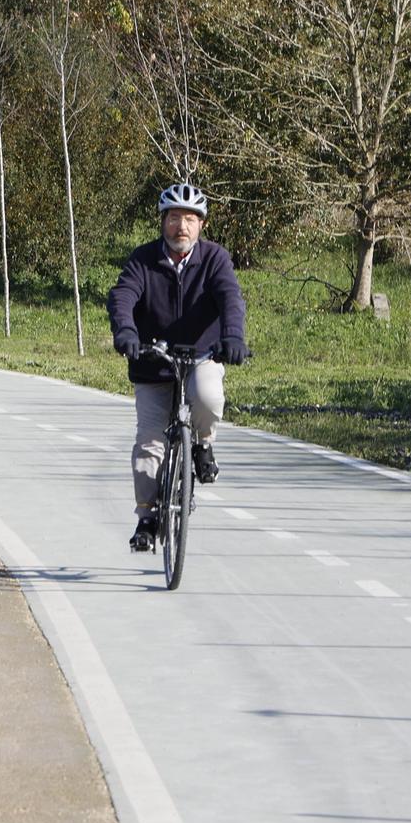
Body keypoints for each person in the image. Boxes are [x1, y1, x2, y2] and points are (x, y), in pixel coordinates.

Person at [106, 182, 250, 552]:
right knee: (149, 448)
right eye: (174, 218)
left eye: (189, 218)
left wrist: (232, 337)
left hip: (202, 356)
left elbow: (230, 298)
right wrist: (126, 332)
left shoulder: (215, 259)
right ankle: (147, 518)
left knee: (207, 395)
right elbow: (123, 296)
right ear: (162, 222)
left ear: (201, 225)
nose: (181, 226)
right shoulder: (143, 259)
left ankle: (202, 444)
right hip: (152, 363)